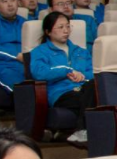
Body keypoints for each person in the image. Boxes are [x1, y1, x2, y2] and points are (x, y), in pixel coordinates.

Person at [30, 12, 95, 143]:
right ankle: (81, 130)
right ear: (48, 31)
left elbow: (93, 72)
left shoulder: (81, 51)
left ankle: (69, 133)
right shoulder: (40, 51)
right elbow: (39, 73)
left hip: (84, 88)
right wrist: (67, 71)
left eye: (68, 26)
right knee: (90, 99)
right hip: (61, 92)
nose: (66, 30)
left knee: (95, 87)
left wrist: (81, 76)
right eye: (60, 27)